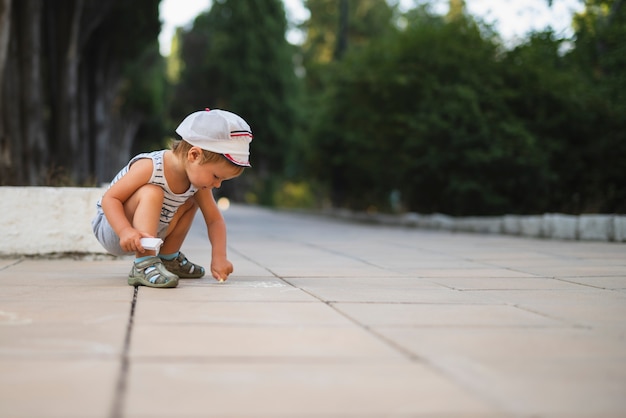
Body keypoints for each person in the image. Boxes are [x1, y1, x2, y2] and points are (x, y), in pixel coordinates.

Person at [91, 108, 252, 288]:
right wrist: (125, 230)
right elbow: (110, 199)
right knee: (153, 192)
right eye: (216, 176)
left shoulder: (197, 182)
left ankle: (168, 259)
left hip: (151, 232)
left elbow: (214, 220)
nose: (217, 185)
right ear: (194, 155)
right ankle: (144, 265)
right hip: (113, 227)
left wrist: (219, 257)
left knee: (192, 202)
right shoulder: (150, 167)